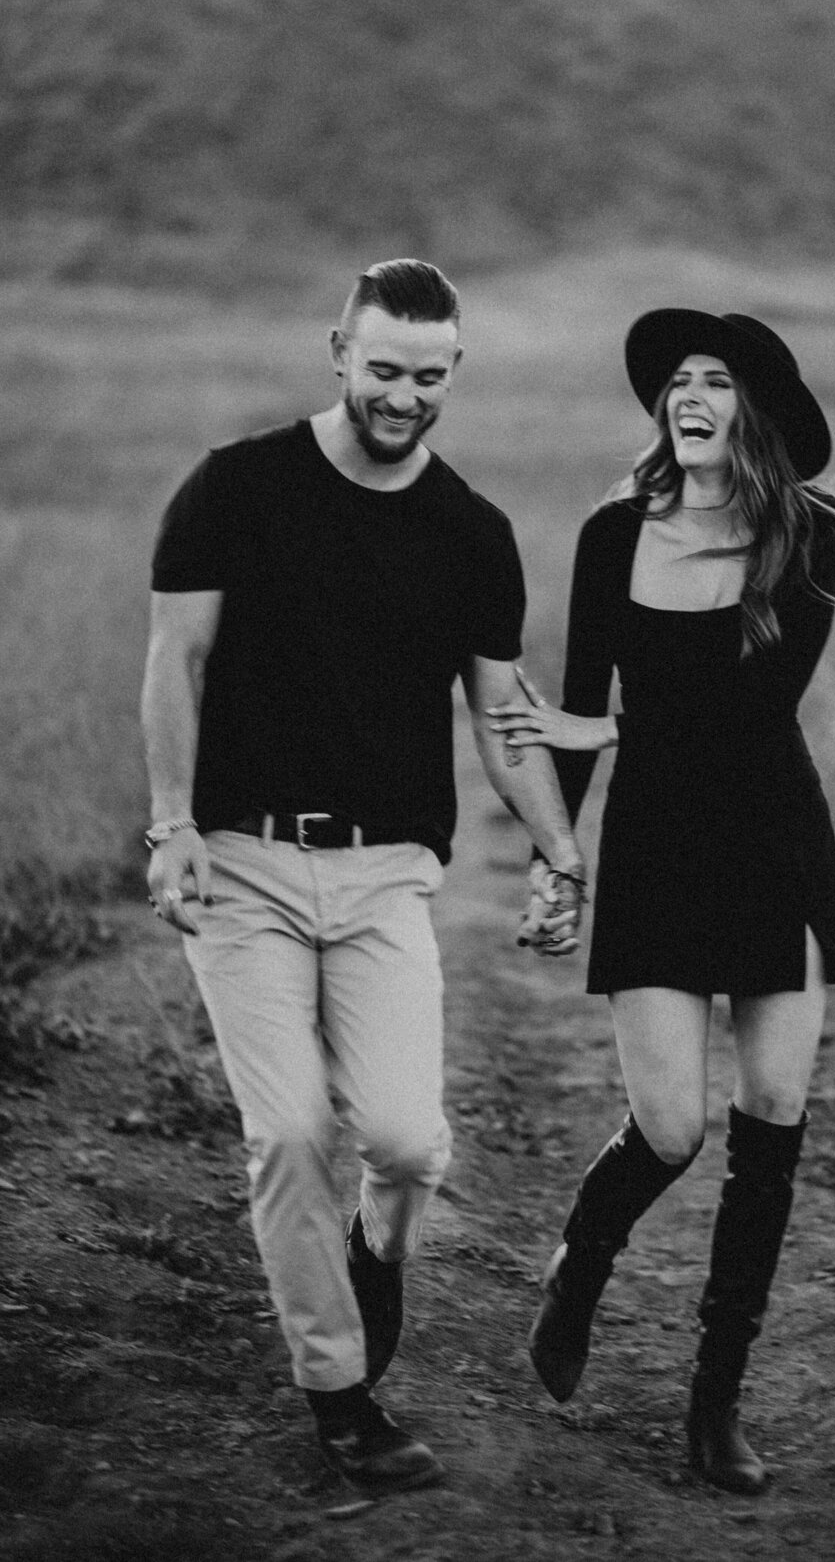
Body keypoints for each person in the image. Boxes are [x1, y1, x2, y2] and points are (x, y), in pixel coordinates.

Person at [141, 258, 585, 1491]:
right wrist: (171, 822)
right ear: (337, 350)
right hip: (243, 860)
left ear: (456, 371)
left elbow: (501, 712)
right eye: (383, 368)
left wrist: (559, 847)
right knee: (288, 1131)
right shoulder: (236, 488)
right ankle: (341, 1392)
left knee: (406, 1139)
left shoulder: (473, 532)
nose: (403, 395)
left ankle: (375, 1251)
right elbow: (175, 660)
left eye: (428, 376)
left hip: (387, 872)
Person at [489, 308, 835, 1496]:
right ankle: (581, 1262)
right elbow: (577, 710)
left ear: (756, 411)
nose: (691, 395)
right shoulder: (612, 534)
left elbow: (754, 708)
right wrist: (556, 858)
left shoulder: (809, 532)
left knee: (773, 1112)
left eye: (719, 380)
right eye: (680, 381)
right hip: (654, 842)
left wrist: (601, 727)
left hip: (773, 839)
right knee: (669, 1126)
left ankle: (716, 1401)